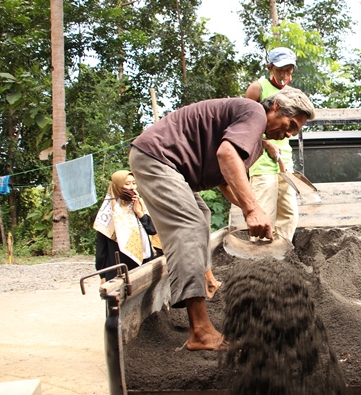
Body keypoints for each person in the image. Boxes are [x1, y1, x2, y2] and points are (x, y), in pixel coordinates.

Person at [128, 87, 315, 350]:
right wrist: (252, 210)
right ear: (275, 108)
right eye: (290, 125)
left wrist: (254, 210)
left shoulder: (254, 141)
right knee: (189, 224)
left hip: (167, 165)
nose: (288, 134)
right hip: (158, 158)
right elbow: (226, 155)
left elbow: (226, 180)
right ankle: (200, 333)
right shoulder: (254, 112)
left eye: (294, 132)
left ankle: (206, 278)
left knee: (201, 214)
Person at [244, 47, 300, 243]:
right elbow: (245, 126)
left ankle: (281, 254)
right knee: (265, 213)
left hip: (285, 161)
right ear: (270, 67)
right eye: (280, 70)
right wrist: (266, 144)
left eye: (288, 70)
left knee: (289, 213)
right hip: (261, 162)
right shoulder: (257, 89)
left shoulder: (293, 95)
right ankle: (260, 258)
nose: (284, 75)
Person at [93, 170, 160, 284]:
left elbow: (152, 230)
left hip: (144, 262)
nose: (132, 188)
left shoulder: (139, 204)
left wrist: (139, 213)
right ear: (117, 186)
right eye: (127, 184)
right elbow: (101, 247)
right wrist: (102, 275)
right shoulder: (109, 211)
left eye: (134, 183)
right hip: (118, 267)